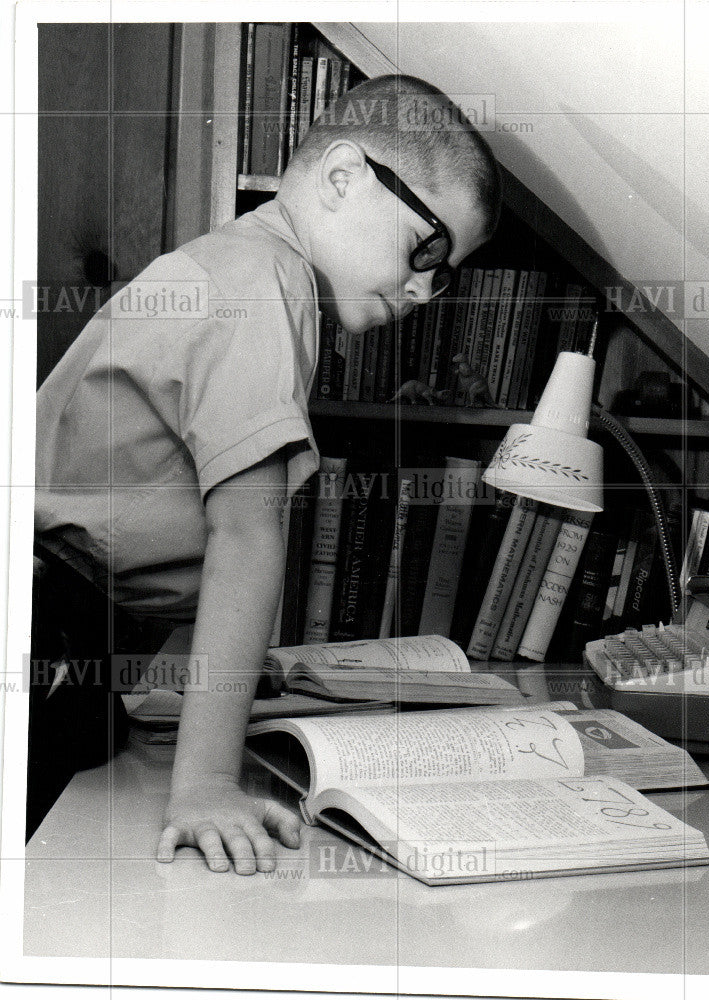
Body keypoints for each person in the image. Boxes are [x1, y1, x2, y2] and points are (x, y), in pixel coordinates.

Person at [31, 74, 502, 872]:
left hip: (73, 625)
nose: (425, 287)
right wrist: (208, 782)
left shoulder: (244, 269)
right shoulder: (263, 286)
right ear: (344, 177)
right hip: (47, 625)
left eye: (445, 271)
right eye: (427, 247)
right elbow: (245, 537)